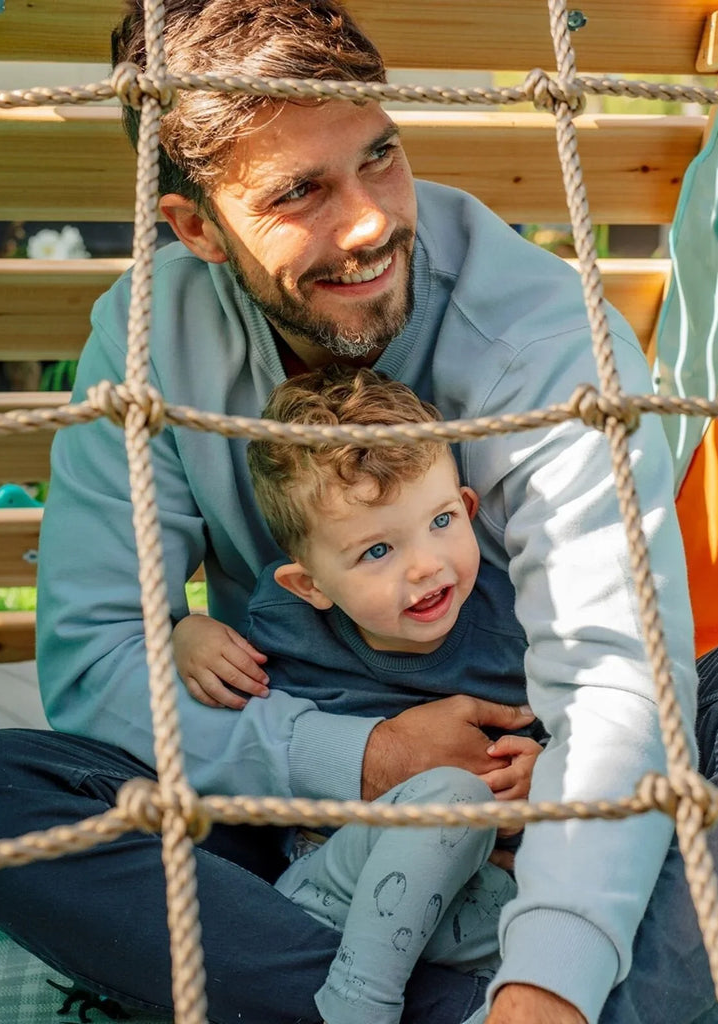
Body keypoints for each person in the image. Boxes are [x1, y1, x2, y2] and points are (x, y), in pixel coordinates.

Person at [0, 2, 718, 1023]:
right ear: (197, 227)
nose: (370, 223)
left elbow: (611, 683)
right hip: (301, 819)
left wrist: (546, 985)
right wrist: (371, 758)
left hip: (538, 790)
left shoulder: (545, 340)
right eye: (300, 191)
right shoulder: (147, 334)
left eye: (379, 156)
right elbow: (97, 656)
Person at [174, 365, 541, 1024]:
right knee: (451, 795)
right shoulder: (285, 622)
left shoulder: (513, 623)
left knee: (563, 908)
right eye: (377, 551)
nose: (425, 564)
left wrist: (540, 774)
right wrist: (190, 635)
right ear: (310, 585)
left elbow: (561, 738)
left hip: (471, 891)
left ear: (468, 508)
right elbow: (227, 702)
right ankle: (356, 1005)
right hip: (327, 880)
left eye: (440, 520)